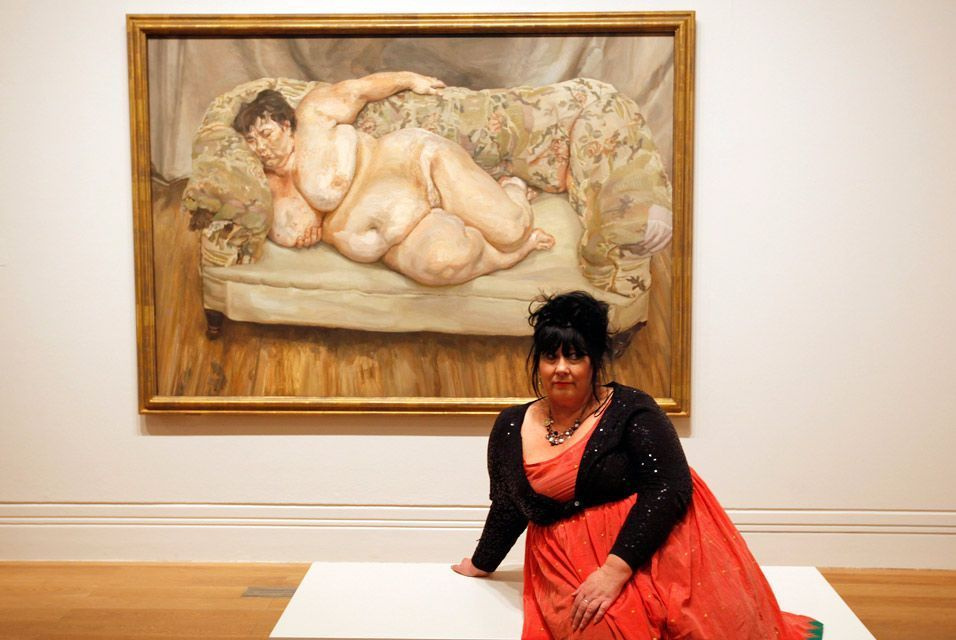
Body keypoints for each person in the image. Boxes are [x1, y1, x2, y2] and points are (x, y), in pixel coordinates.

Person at [452, 291, 823, 639]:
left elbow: (670, 487)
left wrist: (615, 571)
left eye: (575, 357)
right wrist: (482, 563)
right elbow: (507, 506)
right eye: (551, 357)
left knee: (690, 624)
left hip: (643, 547)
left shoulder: (631, 409)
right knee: (602, 629)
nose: (561, 368)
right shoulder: (511, 424)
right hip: (561, 559)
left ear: (595, 361)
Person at [231, 71, 555, 286]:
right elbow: (293, 228)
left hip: (417, 165)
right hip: (403, 232)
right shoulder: (266, 186)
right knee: (443, 262)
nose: (261, 148)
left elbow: (357, 90)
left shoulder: (312, 116)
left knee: (511, 229)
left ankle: (512, 188)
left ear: (285, 124)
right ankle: (508, 257)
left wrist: (409, 79)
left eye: (266, 134)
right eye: (252, 141)